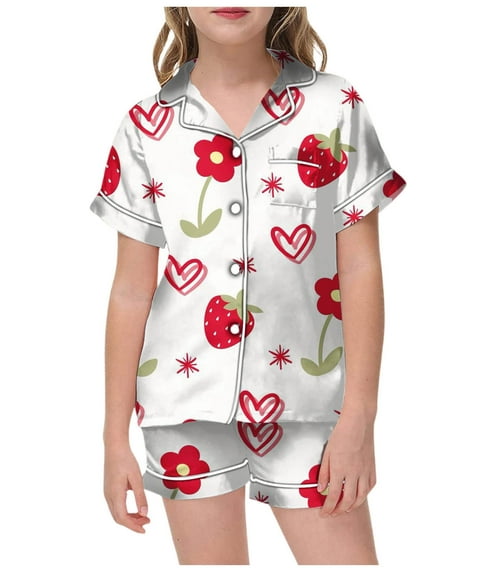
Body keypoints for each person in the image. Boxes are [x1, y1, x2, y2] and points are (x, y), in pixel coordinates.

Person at [90, 6, 406, 566]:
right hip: (182, 406)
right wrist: (114, 438)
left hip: (311, 405)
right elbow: (130, 291)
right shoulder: (145, 125)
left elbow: (360, 268)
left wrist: (360, 416)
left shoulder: (334, 106)